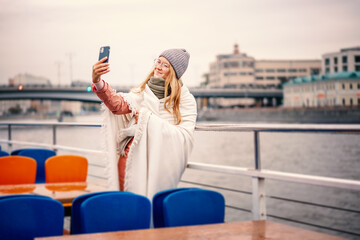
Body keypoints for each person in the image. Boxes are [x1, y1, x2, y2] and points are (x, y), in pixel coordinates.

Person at [92, 48, 197, 199]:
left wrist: (146, 118)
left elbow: (185, 137)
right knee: (129, 206)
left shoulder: (185, 100)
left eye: (165, 65)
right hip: (130, 161)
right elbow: (117, 104)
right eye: (158, 61)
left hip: (161, 167)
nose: (158, 67)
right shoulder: (142, 92)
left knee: (155, 206)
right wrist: (97, 81)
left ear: (174, 72)